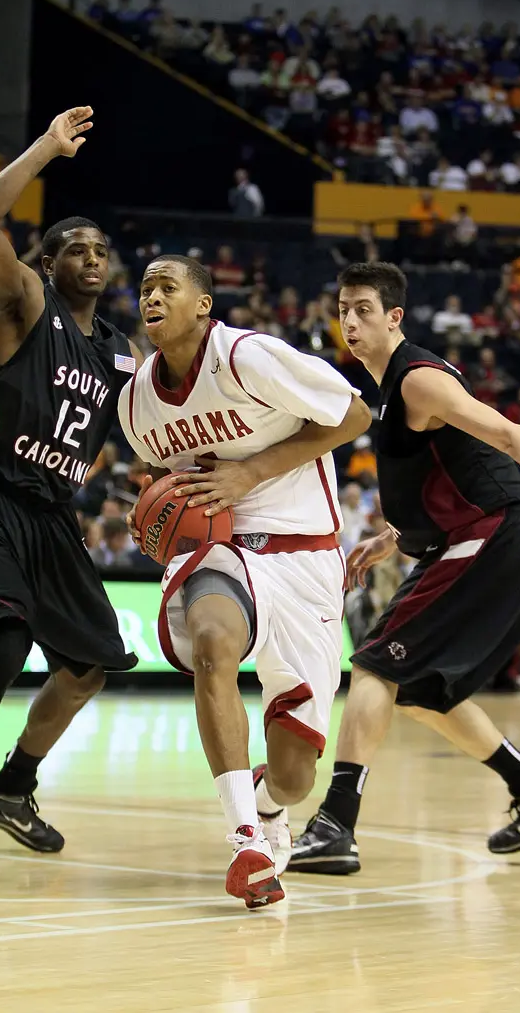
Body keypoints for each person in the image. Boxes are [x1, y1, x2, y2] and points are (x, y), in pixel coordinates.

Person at [288, 262, 520, 876]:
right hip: (488, 536)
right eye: (343, 308)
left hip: (502, 533)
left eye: (364, 309)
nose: (350, 320)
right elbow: (452, 479)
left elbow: (511, 434)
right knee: (422, 691)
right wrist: (391, 539)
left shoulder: (417, 380)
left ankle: (335, 827)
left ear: (395, 316)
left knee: (373, 662)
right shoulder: (392, 392)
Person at [0, 106, 141, 884]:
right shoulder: (27, 305)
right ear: (47, 261)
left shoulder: (118, 352)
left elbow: (161, 425)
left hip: (52, 515)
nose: (93, 258)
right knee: (6, 644)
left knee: (89, 666)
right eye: (76, 247)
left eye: (102, 250)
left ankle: (11, 788)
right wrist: (46, 147)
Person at [118, 254, 371, 908]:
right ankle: (244, 836)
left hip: (307, 559)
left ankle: (267, 803)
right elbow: (168, 474)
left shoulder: (249, 358)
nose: (152, 297)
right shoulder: (136, 401)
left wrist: (251, 472)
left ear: (203, 304)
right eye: (145, 288)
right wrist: (151, 504)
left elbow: (353, 414)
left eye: (166, 287)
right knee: (211, 641)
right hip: (221, 548)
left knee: (295, 777)